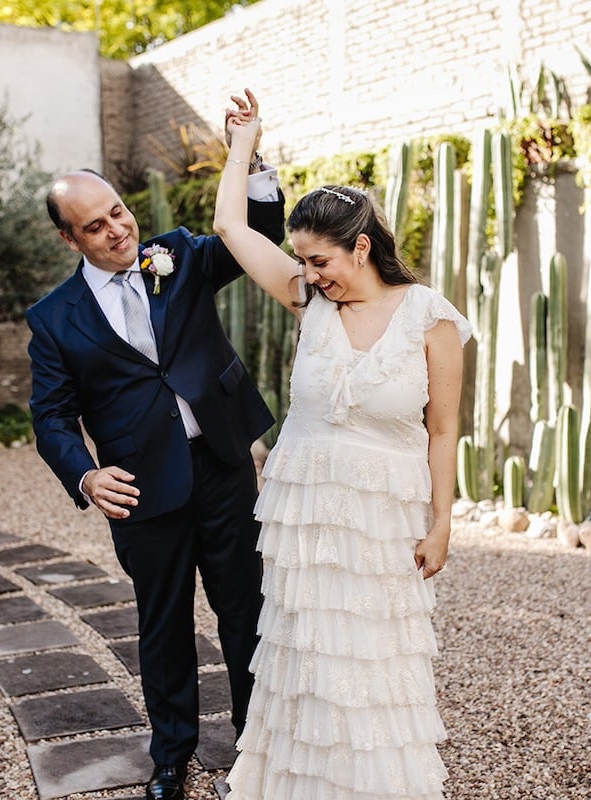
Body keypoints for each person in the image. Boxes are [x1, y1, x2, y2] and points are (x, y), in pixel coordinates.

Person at [212, 90, 471, 799]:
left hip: (382, 517)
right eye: (301, 260)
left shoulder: (430, 320)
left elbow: (443, 430)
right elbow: (230, 225)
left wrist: (442, 522)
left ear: (361, 246)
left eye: (320, 259)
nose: (310, 273)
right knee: (307, 659)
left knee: (373, 661)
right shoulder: (309, 301)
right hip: (304, 513)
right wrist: (244, 145)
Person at [26, 126, 285, 800]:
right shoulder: (55, 320)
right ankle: (172, 756)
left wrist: (249, 159)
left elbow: (256, 231)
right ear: (70, 240)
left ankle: (257, 743)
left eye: (117, 211)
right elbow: (50, 416)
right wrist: (84, 474)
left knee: (244, 609)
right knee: (162, 623)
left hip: (224, 466)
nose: (116, 230)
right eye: (95, 226)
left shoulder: (180, 254)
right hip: (141, 490)